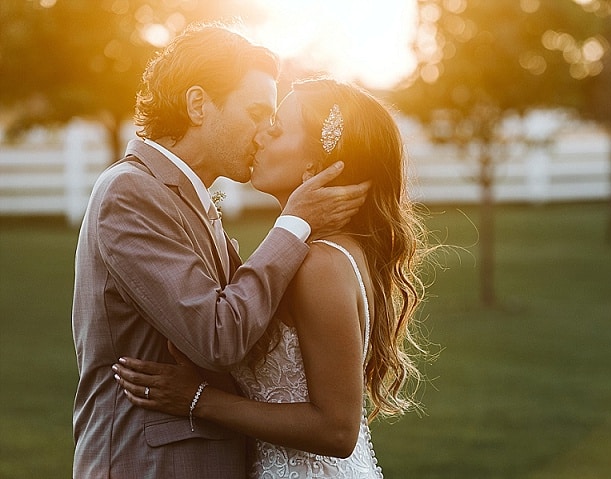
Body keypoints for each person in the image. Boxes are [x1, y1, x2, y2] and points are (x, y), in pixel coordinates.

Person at [72, 23, 369, 479]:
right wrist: (293, 223)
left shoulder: (188, 199)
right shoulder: (130, 192)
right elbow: (218, 337)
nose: (263, 132)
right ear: (198, 105)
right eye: (255, 112)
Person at [113, 78, 430, 478]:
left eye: (276, 128)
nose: (260, 136)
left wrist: (198, 399)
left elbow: (337, 429)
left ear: (314, 166)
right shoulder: (313, 251)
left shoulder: (321, 265)